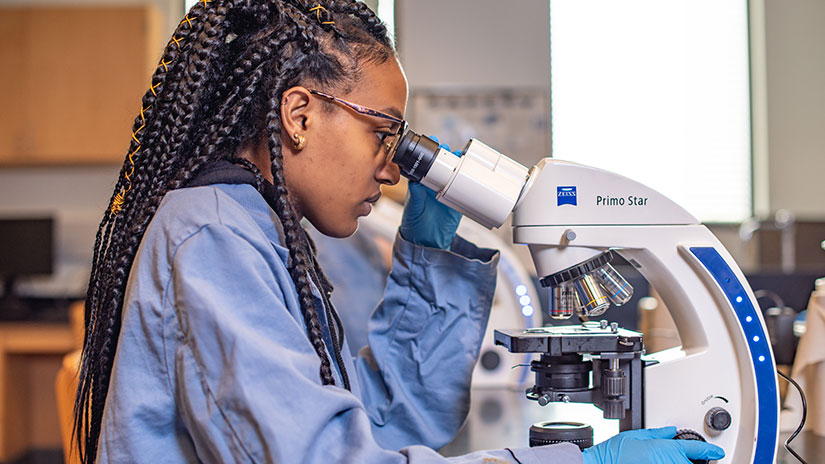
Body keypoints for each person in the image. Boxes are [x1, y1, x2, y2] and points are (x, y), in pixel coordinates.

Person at [74, 1, 726, 463]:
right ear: (298, 113)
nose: (391, 170)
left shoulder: (254, 231)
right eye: (383, 131)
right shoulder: (212, 238)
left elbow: (381, 422)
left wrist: (431, 261)